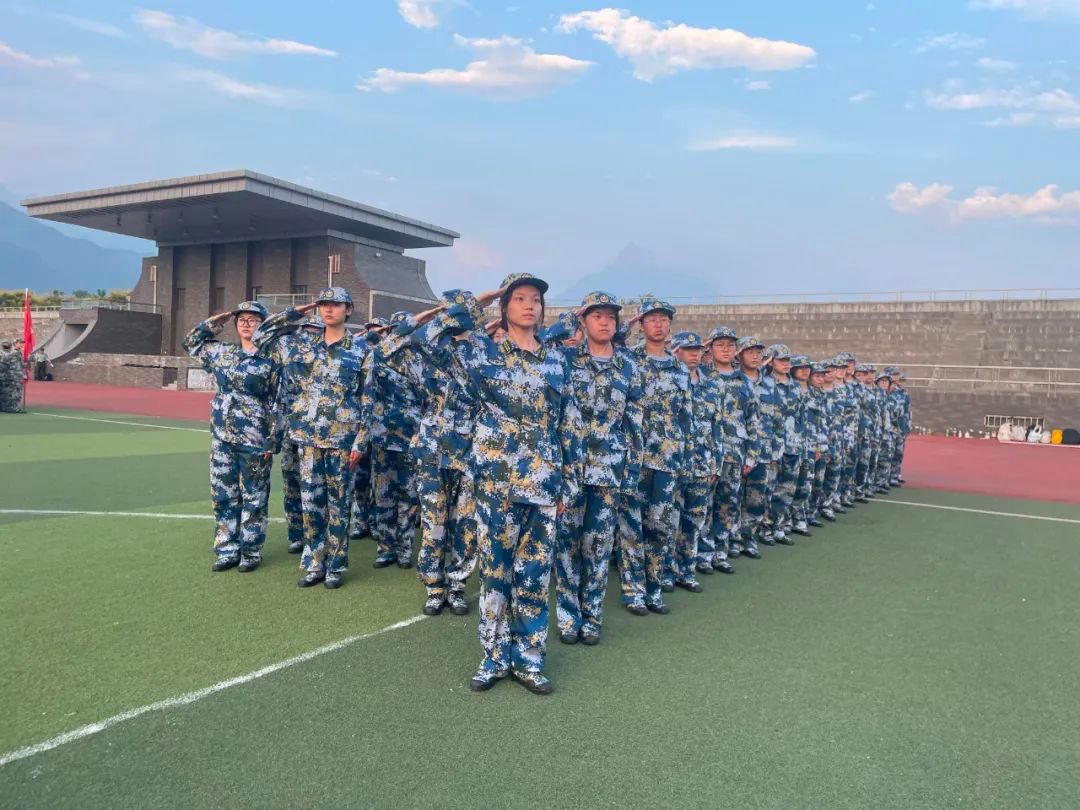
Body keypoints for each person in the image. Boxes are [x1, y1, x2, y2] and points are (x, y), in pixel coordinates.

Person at [422, 276, 583, 695]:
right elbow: (430, 339)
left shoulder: (557, 361)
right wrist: (481, 301)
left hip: (544, 485)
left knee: (534, 577)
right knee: (495, 576)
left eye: (536, 300)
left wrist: (569, 484)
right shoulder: (483, 352)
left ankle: (529, 660)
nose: (530, 306)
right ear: (505, 307)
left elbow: (569, 424)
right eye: (519, 298)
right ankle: (493, 657)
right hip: (497, 485)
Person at [255, 287, 369, 590]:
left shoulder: (361, 350)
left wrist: (361, 441)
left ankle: (335, 564)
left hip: (342, 439)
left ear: (349, 309)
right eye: (324, 304)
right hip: (307, 438)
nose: (328, 309)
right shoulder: (302, 346)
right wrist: (296, 312)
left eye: (335, 304)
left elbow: (368, 399)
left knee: (339, 505)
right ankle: (314, 562)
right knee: (311, 504)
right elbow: (262, 336)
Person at [554, 291, 643, 645]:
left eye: (610, 316)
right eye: (596, 316)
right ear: (583, 320)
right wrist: (570, 319)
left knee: (599, 545)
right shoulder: (565, 360)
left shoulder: (628, 367)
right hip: (570, 470)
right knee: (566, 544)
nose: (605, 322)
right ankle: (568, 615)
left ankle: (592, 616)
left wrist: (631, 471)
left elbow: (635, 423)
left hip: (609, 471)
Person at [182, 301, 276, 572]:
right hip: (222, 437)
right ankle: (227, 550)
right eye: (242, 319)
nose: (247, 324)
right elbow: (190, 343)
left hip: (255, 439)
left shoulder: (272, 359)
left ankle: (251, 551)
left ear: (263, 325)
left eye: (253, 319)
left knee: (254, 498)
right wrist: (216, 321)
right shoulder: (222, 353)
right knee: (223, 496)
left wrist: (273, 439)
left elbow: (279, 401)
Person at [411, 292, 481, 617]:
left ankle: (457, 586)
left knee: (465, 524)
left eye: (461, 310)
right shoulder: (432, 350)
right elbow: (414, 337)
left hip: (469, 452)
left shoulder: (483, 353)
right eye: (451, 310)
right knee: (433, 523)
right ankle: (434, 587)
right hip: (432, 451)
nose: (456, 317)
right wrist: (440, 314)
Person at [622, 297, 692, 613]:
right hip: (634, 457)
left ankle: (653, 588)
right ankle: (633, 592)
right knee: (631, 528)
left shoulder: (679, 368)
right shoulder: (628, 360)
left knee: (660, 526)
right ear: (640, 323)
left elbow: (686, 417)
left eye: (664, 319)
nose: (659, 324)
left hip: (667, 459)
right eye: (652, 319)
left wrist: (685, 457)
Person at [358, 311, 425, 570]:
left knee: (409, 495)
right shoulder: (378, 357)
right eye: (396, 329)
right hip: (383, 437)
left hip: (411, 439)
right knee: (383, 495)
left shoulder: (421, 360)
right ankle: (386, 548)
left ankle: (405, 548)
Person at [702, 327, 760, 572]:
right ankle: (702, 554)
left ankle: (720, 551)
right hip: (708, 454)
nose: (725, 350)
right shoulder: (703, 376)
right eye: (720, 345)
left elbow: (753, 419)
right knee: (704, 505)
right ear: (710, 348)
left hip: (735, 453)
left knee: (728, 504)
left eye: (730, 345)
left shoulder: (743, 381)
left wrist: (752, 454)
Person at [669, 331, 719, 592]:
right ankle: (666, 571)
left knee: (694, 519)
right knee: (670, 520)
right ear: (676, 351)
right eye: (688, 350)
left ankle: (686, 570)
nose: (694, 354)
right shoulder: (670, 381)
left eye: (698, 350)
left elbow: (716, 426)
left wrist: (716, 461)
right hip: (675, 462)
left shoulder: (710, 385)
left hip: (701, 464)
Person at [737, 336, 782, 555]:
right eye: (750, 352)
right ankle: (732, 539)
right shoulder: (734, 380)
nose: (755, 356)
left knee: (756, 498)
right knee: (732, 498)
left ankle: (750, 538)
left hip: (763, 451)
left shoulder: (770, 383)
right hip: (737, 449)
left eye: (758, 352)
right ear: (740, 355)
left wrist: (775, 449)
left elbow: (777, 418)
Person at [765, 344, 802, 546]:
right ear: (771, 362)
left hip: (792, 444)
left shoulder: (795, 386)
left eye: (788, 360)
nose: (786, 364)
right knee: (767, 488)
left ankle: (778, 526)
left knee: (786, 489)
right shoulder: (765, 383)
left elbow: (800, 416)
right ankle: (764, 528)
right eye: (781, 360)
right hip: (772, 445)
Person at [0, 340, 25, 413]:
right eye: (20, 343)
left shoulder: (3, 354)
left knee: (4, 392)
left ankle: (4, 407)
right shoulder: (13, 354)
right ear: (11, 346)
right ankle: (14, 408)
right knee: (14, 393)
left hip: (5, 376)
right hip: (13, 376)